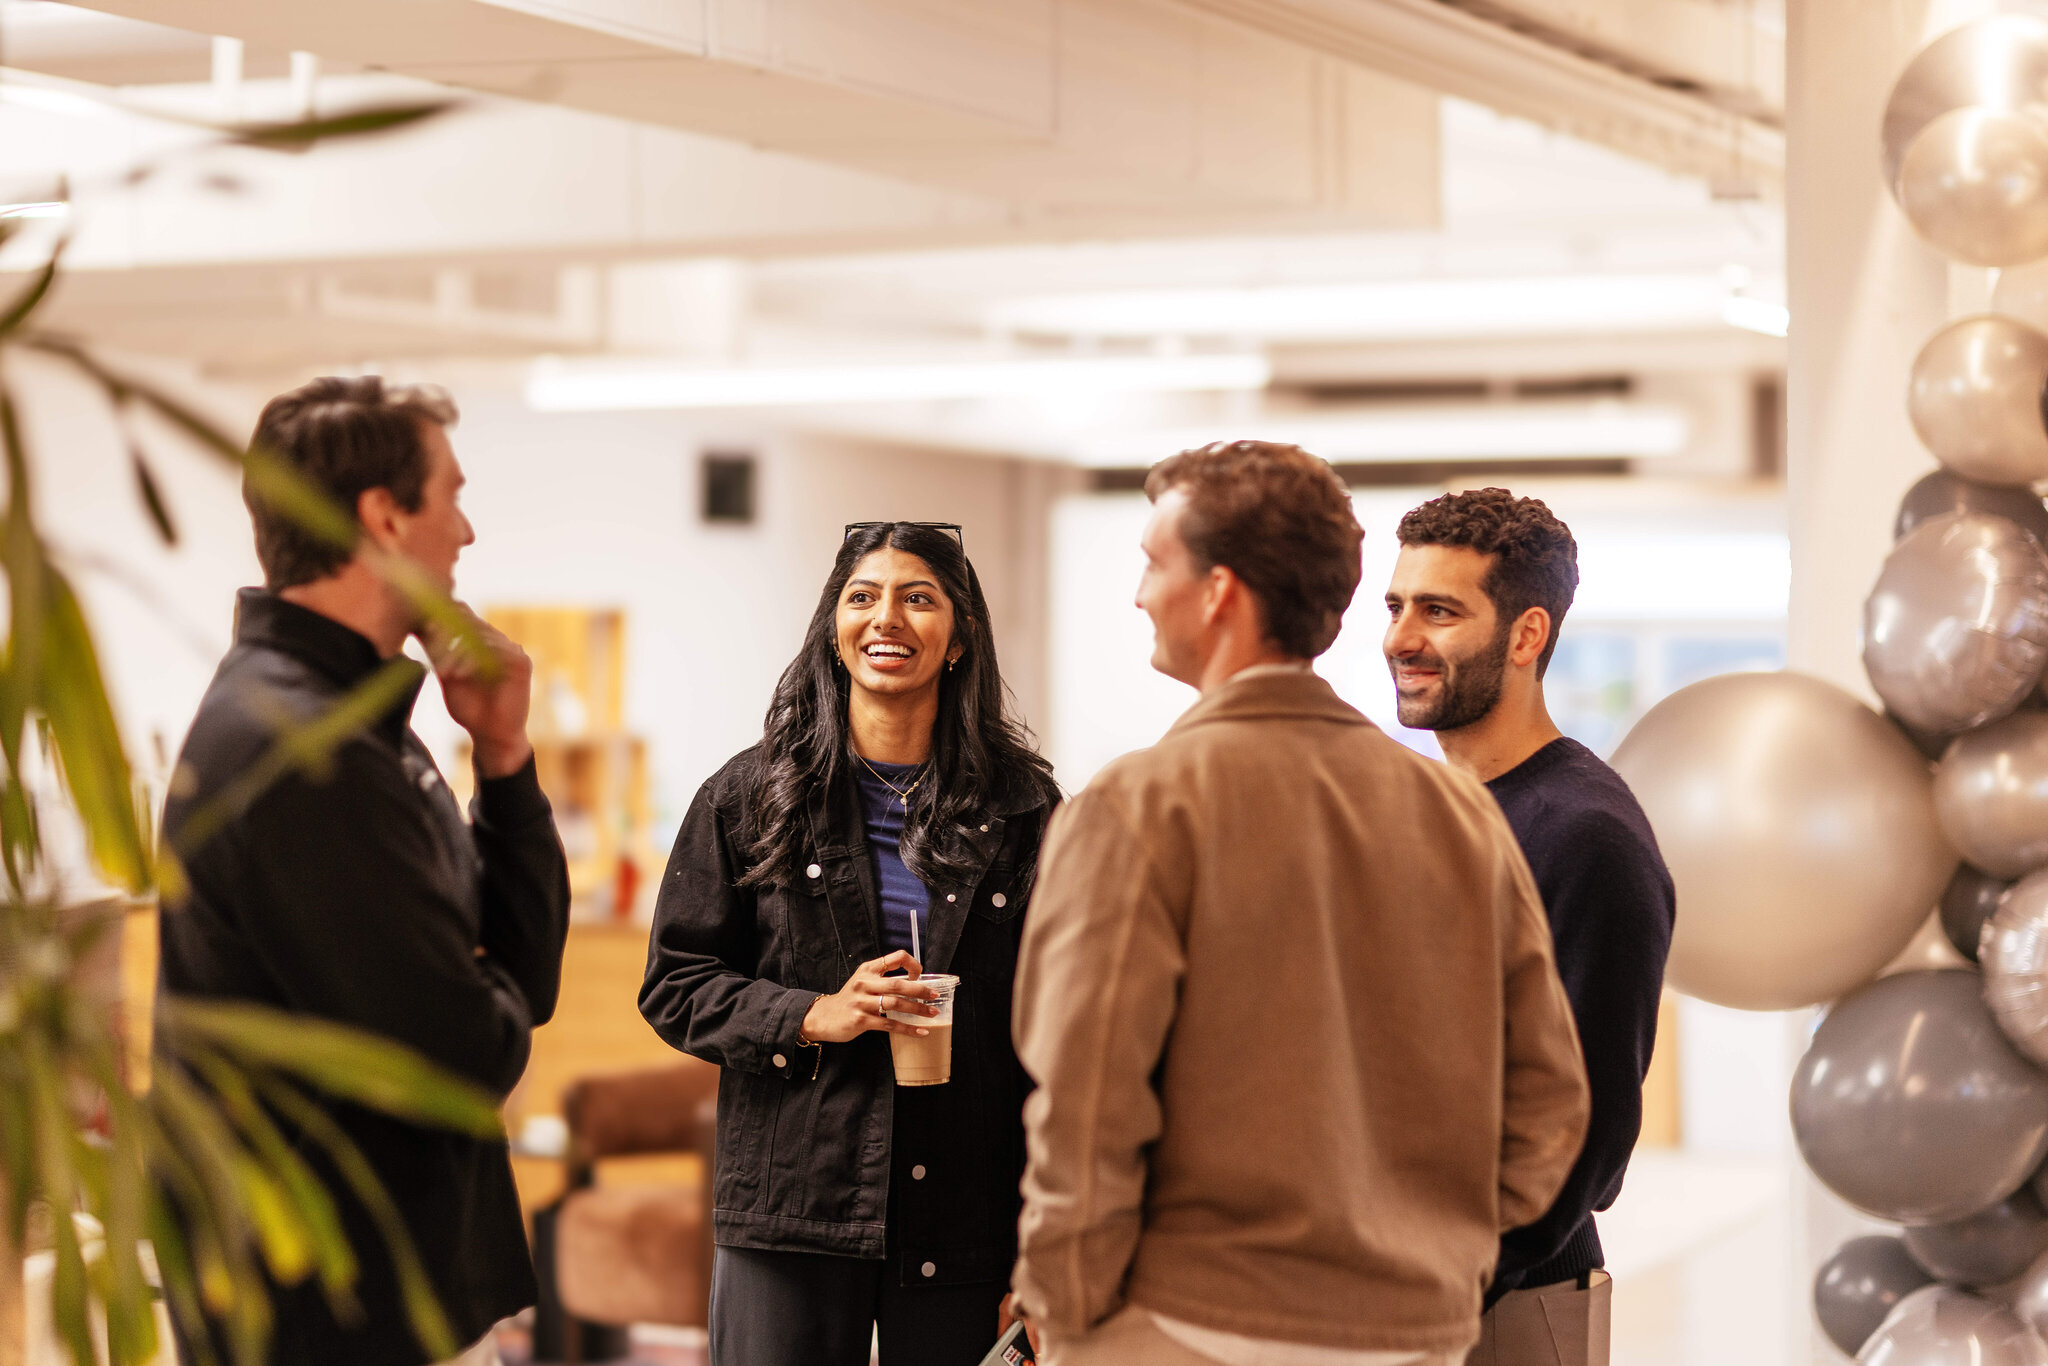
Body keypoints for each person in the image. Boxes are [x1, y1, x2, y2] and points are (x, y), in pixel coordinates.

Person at [1005, 441, 1591, 1366]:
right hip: (1414, 1332)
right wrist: (1433, 1251)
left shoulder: (1140, 805)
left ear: (1220, 594)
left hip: (1192, 1327)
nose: (1139, 595)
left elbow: (1086, 1106)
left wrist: (1066, 1309)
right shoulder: (1459, 815)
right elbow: (1551, 1106)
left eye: (1157, 564)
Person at [158, 377, 570, 1366]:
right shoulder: (298, 747)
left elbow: (523, 978)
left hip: (396, 1291)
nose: (465, 533)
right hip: (328, 1313)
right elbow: (458, 1056)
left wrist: (504, 759)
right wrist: (475, 995)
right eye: (451, 497)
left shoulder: (358, 724)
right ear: (385, 517)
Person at [640, 521, 1060, 1366]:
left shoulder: (1026, 809)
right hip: (791, 1204)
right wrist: (811, 1014)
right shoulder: (750, 797)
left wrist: (1046, 1241)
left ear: (960, 634)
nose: (886, 620)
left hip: (966, 1214)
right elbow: (676, 985)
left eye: (918, 598)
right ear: (833, 631)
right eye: (862, 597)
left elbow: (1063, 1028)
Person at [1383, 488, 1674, 1366]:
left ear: (1526, 635)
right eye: (1396, 607)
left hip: (1501, 1300)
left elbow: (1590, 1138)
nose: (1401, 637)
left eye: (1439, 611)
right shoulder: (1431, 807)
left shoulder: (1585, 834)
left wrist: (1442, 1280)